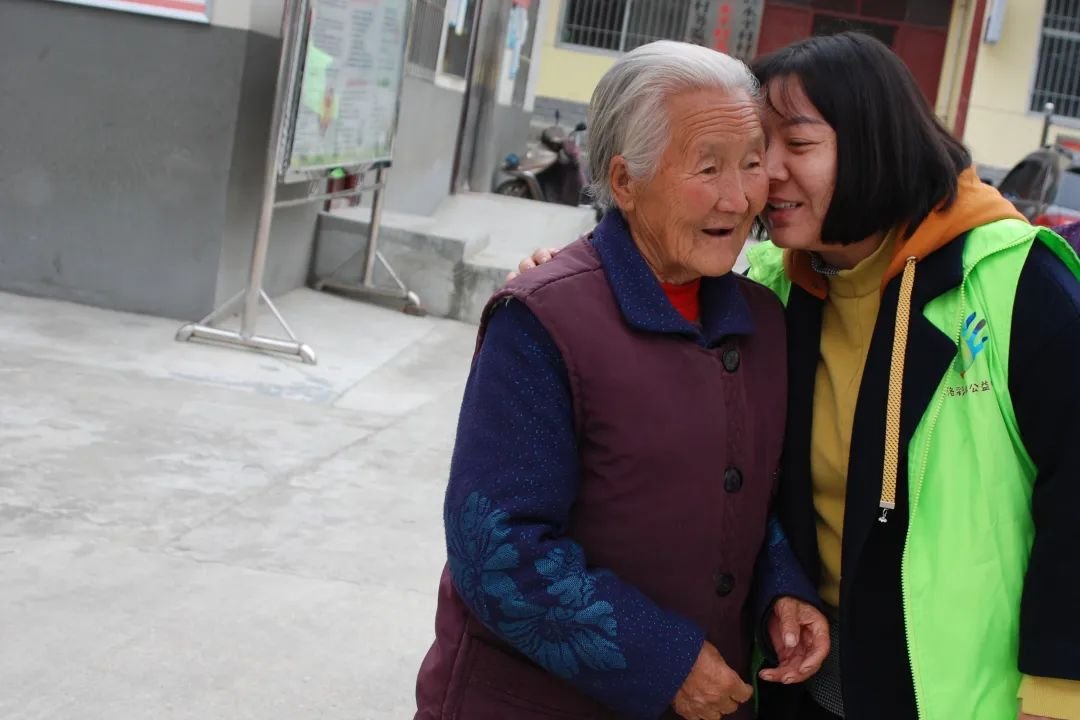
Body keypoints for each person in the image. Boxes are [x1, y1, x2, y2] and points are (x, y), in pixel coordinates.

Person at [515, 32, 1080, 720]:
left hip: (962, 694)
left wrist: (1057, 693)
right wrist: (566, 283)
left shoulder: (1013, 280)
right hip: (803, 677)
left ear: (876, 143)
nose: (766, 176)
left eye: (799, 146)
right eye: (758, 151)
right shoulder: (770, 292)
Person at [414, 41, 828, 720]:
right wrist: (662, 659)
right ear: (625, 181)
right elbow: (500, 551)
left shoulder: (760, 320)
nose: (738, 195)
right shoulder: (545, 318)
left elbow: (756, 491)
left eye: (752, 162)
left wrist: (782, 588)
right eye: (707, 167)